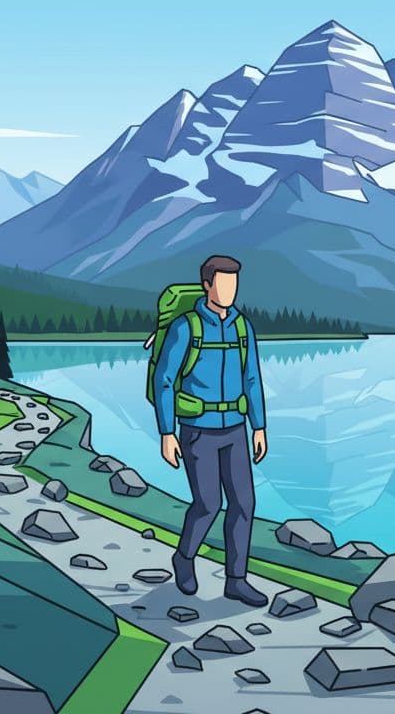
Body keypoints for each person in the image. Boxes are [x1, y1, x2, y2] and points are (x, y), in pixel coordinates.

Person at [152, 255, 269, 606]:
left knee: (244, 503)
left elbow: (253, 378)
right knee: (207, 504)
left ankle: (237, 580)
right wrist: (166, 431)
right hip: (197, 431)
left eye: (234, 283)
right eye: (223, 282)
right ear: (207, 284)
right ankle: (184, 558)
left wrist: (259, 426)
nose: (229, 290)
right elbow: (165, 380)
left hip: (235, 429)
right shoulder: (187, 327)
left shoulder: (242, 327)